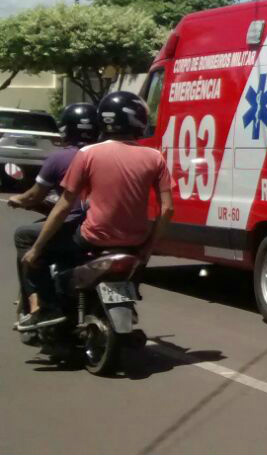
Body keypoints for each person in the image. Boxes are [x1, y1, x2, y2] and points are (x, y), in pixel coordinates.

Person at [16, 92, 174, 332]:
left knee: (30, 241)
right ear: (138, 121)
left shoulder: (88, 154)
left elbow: (63, 206)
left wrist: (37, 248)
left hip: (93, 236)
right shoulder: (155, 157)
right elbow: (168, 209)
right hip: (135, 241)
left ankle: (46, 308)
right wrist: (149, 246)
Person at [9, 103, 98, 325]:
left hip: (76, 227)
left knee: (24, 237)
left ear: (65, 129)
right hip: (107, 227)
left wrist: (17, 200)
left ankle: (41, 306)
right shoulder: (104, 155)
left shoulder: (60, 158)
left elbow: (34, 197)